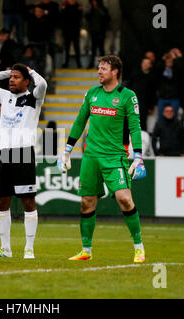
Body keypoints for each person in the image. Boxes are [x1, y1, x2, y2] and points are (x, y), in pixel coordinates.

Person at [58, 55, 146, 263]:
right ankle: (86, 249)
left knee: (124, 198)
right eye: (99, 68)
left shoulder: (127, 96)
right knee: (87, 203)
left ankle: (139, 247)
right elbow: (80, 121)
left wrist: (138, 156)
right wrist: (67, 150)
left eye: (103, 68)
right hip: (91, 157)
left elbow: (134, 126)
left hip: (115, 157)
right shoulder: (92, 93)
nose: (99, 72)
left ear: (115, 71)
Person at [0, 63, 47, 259]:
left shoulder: (34, 98)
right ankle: (5, 249)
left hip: (24, 153)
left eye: (17, 77)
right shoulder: (4, 96)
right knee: (2, 201)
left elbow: (42, 84)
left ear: (27, 81)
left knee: (28, 201)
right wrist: (7, 72)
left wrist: (31, 70)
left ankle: (29, 248)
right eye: (11, 77)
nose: (11, 80)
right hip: (4, 153)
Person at [127, 57, 157, 131]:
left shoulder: (152, 77)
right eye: (144, 63)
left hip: (145, 104)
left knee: (143, 123)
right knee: (131, 122)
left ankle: (142, 140)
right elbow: (128, 87)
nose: (145, 65)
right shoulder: (135, 74)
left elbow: (152, 93)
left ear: (150, 65)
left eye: (147, 63)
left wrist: (151, 107)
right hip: (133, 102)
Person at [85, 0, 110, 69]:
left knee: (101, 49)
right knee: (93, 49)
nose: (94, 2)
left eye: (95, 1)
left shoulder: (103, 9)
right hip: (93, 31)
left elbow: (107, 19)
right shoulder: (91, 9)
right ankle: (91, 64)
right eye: (93, 1)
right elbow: (87, 17)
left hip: (101, 31)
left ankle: (102, 65)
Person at [60, 0, 83, 68]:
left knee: (76, 47)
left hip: (75, 30)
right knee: (67, 47)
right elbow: (62, 17)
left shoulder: (78, 6)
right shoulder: (65, 5)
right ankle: (66, 63)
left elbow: (79, 17)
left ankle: (79, 64)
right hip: (67, 30)